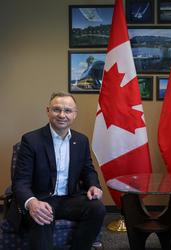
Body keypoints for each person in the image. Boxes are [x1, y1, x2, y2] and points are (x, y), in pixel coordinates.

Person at [12, 92, 106, 250]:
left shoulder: (81, 140)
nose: (62, 115)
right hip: (41, 199)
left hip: (70, 198)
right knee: (42, 217)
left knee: (97, 208)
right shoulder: (31, 140)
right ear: (48, 111)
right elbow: (20, 182)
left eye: (68, 110)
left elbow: (88, 170)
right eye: (56, 110)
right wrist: (32, 202)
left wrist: (94, 185)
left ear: (75, 114)